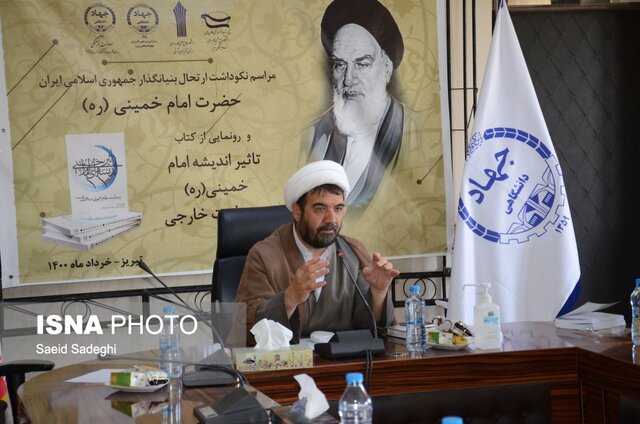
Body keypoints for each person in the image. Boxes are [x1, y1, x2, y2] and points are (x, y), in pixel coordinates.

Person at [234, 160, 399, 344]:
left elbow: (372, 329)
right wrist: (290, 298)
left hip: (345, 359)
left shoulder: (353, 252)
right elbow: (244, 329)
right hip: (289, 360)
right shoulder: (263, 255)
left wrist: (378, 293)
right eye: (320, 209)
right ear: (297, 212)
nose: (331, 219)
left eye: (338, 209)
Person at [305, 0, 405, 207]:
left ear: (386, 68)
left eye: (362, 64)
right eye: (340, 65)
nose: (348, 80)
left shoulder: (411, 133)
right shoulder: (313, 134)